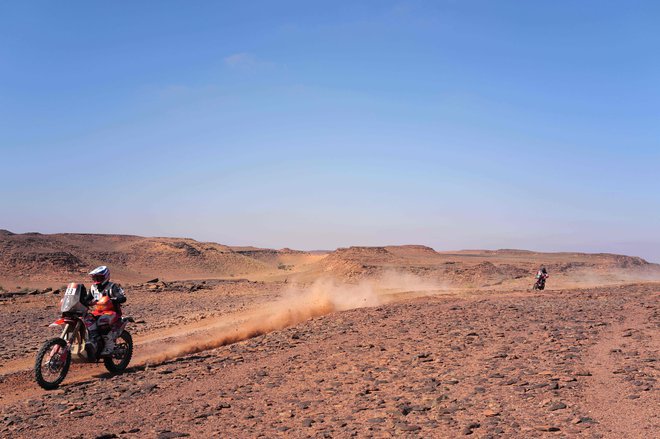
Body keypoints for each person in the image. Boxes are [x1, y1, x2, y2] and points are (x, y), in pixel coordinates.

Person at [82, 266, 126, 356]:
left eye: (99, 277)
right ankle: (93, 341)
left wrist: (114, 299)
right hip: (98, 312)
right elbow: (87, 298)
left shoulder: (113, 287)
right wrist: (82, 301)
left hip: (112, 312)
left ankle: (109, 347)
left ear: (106, 276)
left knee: (103, 322)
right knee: (86, 320)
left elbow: (122, 297)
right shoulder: (93, 288)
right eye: (95, 277)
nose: (97, 279)